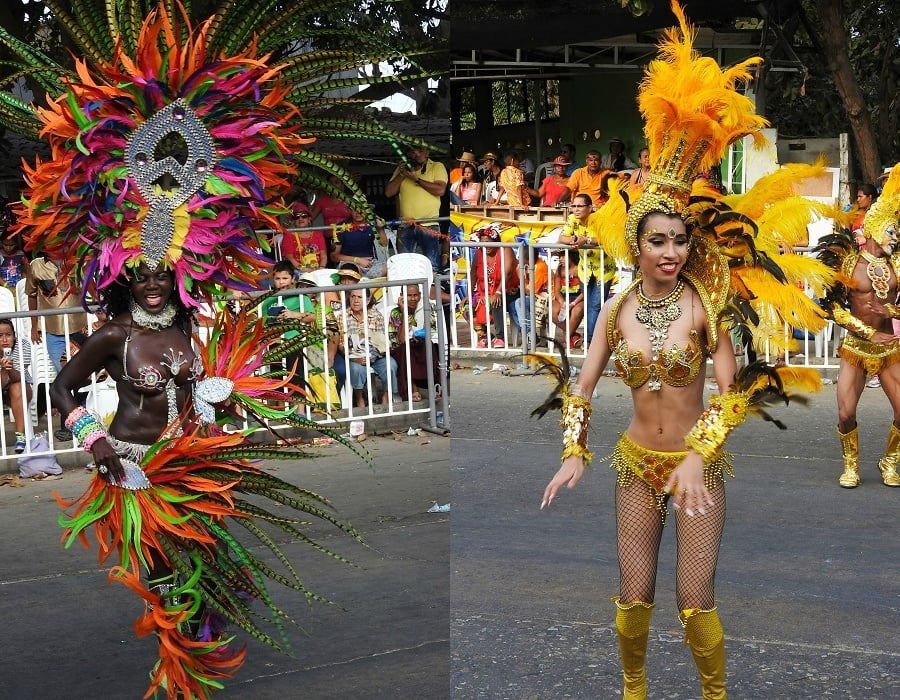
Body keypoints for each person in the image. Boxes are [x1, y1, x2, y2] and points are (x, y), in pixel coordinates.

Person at [538, 4, 830, 697]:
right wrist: (574, 451)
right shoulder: (614, 310)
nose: (670, 253)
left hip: (698, 465)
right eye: (657, 241)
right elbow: (580, 387)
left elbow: (733, 391)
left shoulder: (708, 307)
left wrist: (700, 454)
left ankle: (713, 695)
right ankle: (634, 690)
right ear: (637, 244)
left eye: (678, 241)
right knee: (633, 591)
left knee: (692, 598)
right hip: (635, 466)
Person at [816, 165, 900, 488]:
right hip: (855, 347)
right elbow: (832, 308)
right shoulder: (850, 262)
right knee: (845, 413)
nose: (896, 236)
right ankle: (850, 465)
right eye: (892, 230)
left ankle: (889, 461)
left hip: (889, 349)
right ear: (877, 228)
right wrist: (867, 331)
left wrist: (890, 309)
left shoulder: (896, 267)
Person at [557, 192, 617, 345]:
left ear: (590, 208)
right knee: (589, 305)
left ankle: (591, 342)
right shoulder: (572, 219)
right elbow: (561, 237)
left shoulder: (600, 220)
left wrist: (587, 240)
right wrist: (572, 240)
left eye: (580, 206)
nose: (576, 209)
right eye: (574, 206)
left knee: (595, 306)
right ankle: (591, 341)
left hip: (603, 270)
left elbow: (607, 239)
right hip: (585, 270)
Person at [384, 144, 448, 272]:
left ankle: (433, 290)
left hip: (429, 224)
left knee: (432, 266)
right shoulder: (401, 170)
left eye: (420, 150)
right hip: (406, 224)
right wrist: (403, 174)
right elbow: (388, 192)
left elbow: (440, 190)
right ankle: (408, 291)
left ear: (427, 153)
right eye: (412, 152)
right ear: (407, 155)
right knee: (403, 265)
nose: (417, 154)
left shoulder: (437, 166)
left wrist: (417, 179)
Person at [342, 287, 399, 407]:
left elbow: (383, 343)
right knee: (356, 369)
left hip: (377, 355)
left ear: (367, 301)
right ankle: (359, 398)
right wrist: (354, 358)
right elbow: (341, 344)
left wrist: (372, 355)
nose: (356, 300)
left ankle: (386, 397)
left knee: (391, 365)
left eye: (360, 297)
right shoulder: (343, 317)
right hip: (355, 356)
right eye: (353, 297)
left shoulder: (376, 316)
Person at [389, 284, 440, 402]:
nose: (413, 299)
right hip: (400, 348)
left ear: (420, 296)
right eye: (409, 296)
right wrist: (404, 312)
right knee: (407, 348)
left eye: (415, 295)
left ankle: (434, 388)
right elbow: (401, 339)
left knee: (430, 347)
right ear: (402, 297)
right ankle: (413, 388)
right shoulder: (395, 313)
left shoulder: (427, 309)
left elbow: (431, 331)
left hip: (421, 344)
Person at [471, 224, 519, 348]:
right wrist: (468, 294)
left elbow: (508, 273)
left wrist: (498, 292)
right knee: (467, 306)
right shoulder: (478, 253)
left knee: (497, 301)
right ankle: (485, 336)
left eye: (488, 242)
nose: (485, 245)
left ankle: (500, 337)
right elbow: (472, 275)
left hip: (508, 290)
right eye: (482, 242)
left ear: (495, 241)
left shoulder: (505, 249)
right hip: (484, 292)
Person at [0, 318, 32, 453]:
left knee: (17, 387)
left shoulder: (23, 345)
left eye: (8, 335)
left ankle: (20, 437)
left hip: (20, 388)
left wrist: (9, 368)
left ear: (14, 335)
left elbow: (20, 377)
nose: (4, 339)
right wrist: (2, 370)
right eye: (0, 336)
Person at [330, 206, 388, 278]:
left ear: (367, 210)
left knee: (390, 268)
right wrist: (357, 260)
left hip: (370, 263)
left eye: (361, 209)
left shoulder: (372, 223)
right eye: (355, 210)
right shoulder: (341, 227)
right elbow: (334, 256)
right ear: (350, 211)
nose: (358, 213)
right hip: (349, 264)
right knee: (350, 274)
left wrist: (380, 228)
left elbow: (384, 244)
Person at [281, 202, 328, 271]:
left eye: (304, 216)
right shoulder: (289, 236)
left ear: (309, 219)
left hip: (317, 270)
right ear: (294, 221)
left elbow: (323, 256)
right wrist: (303, 269)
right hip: (297, 271)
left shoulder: (318, 235)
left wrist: (321, 269)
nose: (300, 219)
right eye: (297, 217)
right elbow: (289, 258)